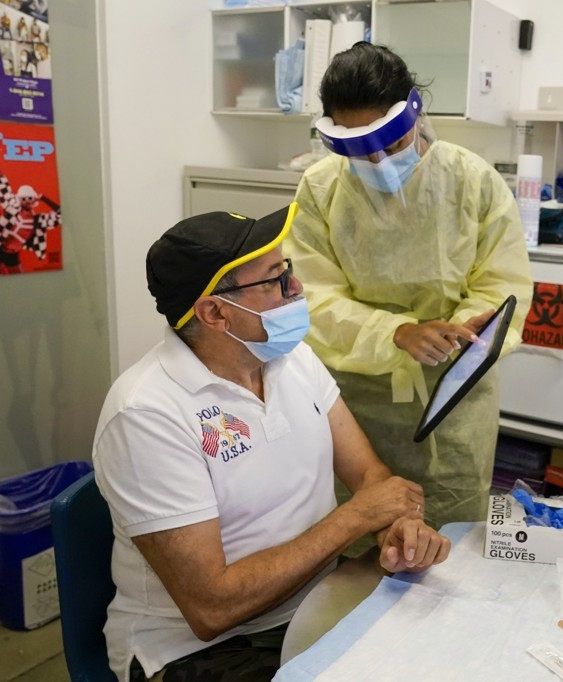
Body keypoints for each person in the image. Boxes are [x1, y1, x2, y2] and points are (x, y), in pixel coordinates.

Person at [93, 205, 451, 682]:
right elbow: (211, 608)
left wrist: (395, 533)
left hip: (318, 599)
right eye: (275, 280)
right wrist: (358, 517)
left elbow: (369, 477)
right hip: (206, 650)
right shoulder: (146, 415)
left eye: (289, 271)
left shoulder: (293, 360)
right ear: (215, 312)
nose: (298, 289)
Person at [284, 42, 532, 537]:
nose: (376, 161)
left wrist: (465, 331)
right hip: (355, 408)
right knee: (354, 545)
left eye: (390, 145)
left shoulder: (472, 181)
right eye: (357, 148)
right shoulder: (320, 188)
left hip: (454, 406)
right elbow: (312, 298)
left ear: (414, 116)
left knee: (451, 546)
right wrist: (397, 333)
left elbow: (502, 283)